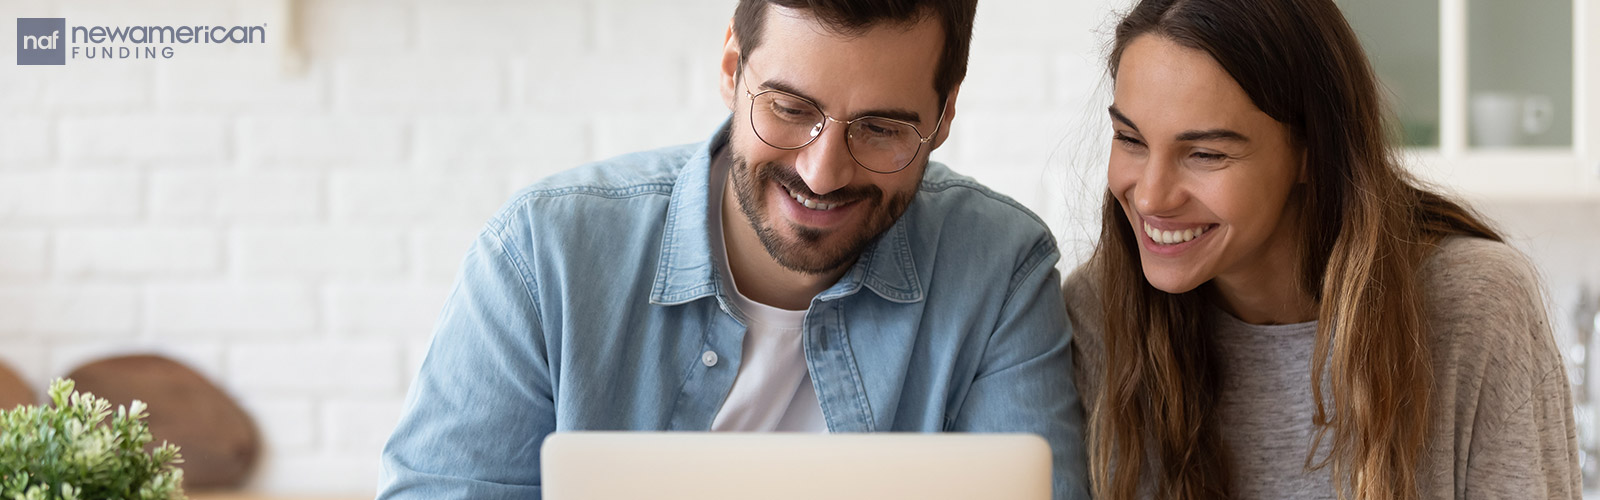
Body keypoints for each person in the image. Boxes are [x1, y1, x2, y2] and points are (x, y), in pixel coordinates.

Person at [377, 1, 1090, 498]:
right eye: (789, 109)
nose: (823, 173)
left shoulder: (1001, 271)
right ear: (731, 66)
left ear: (943, 117)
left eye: (880, 129)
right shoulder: (541, 257)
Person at [1064, 0, 1580, 498]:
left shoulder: (1475, 308)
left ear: (1312, 152)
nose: (1151, 195)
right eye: (1130, 139)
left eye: (1204, 153)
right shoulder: (1099, 310)